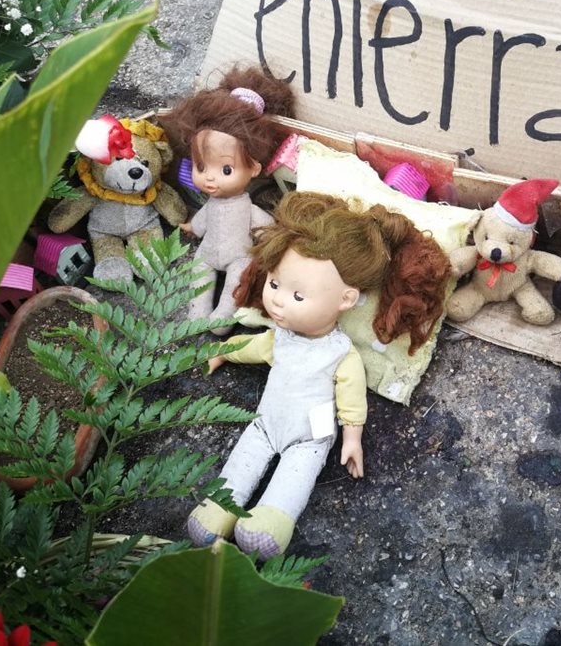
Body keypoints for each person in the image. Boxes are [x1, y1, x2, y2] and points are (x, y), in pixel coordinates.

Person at [186, 191, 452, 557]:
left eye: (298, 296)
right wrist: (224, 352)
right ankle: (218, 507)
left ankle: (273, 518)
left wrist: (352, 439)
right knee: (242, 461)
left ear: (346, 300)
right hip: (264, 424)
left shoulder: (341, 354)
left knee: (295, 477)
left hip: (311, 438)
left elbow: (352, 398)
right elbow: (255, 347)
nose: (276, 299)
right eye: (275, 284)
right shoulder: (279, 337)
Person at [160, 66, 293, 334]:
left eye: (226, 170)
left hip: (238, 254)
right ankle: (198, 310)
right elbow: (203, 219)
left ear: (254, 169)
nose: (210, 179)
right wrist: (192, 227)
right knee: (199, 274)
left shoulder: (247, 207)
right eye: (200, 167)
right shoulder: (211, 202)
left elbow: (264, 225)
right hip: (207, 250)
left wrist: (274, 238)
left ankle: (223, 315)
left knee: (238, 280)